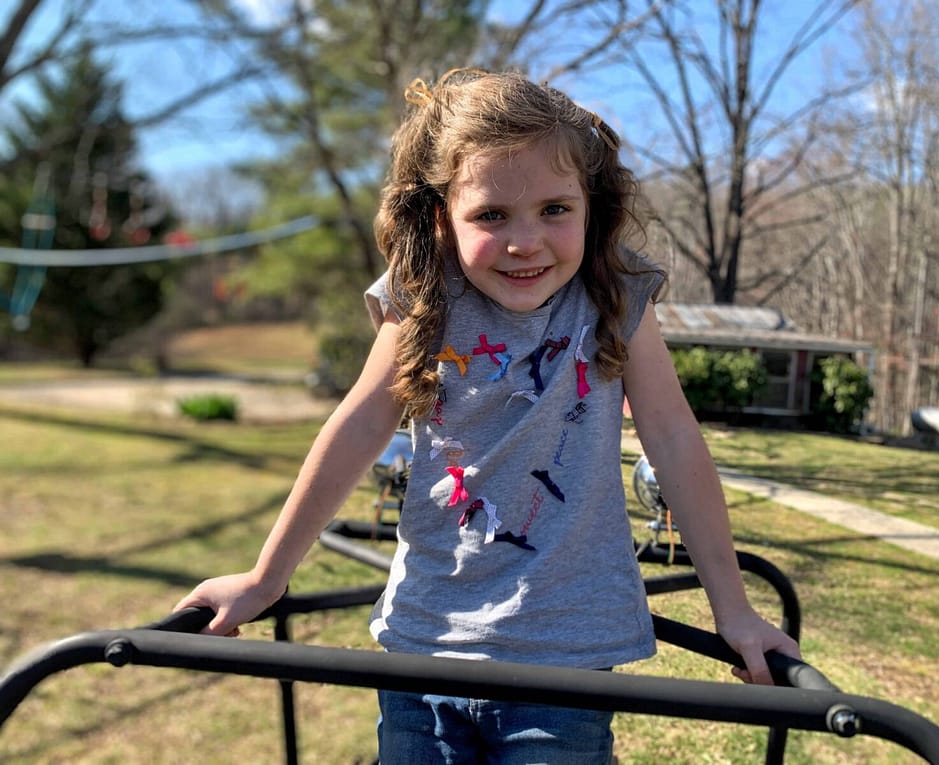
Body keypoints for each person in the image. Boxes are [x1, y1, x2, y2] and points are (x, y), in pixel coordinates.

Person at [175, 67, 801, 764]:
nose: (525, 241)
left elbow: (675, 440)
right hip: (424, 647)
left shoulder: (615, 294)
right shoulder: (425, 293)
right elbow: (357, 425)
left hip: (561, 661)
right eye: (492, 215)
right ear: (443, 215)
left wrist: (734, 612)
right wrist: (266, 576)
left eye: (555, 209)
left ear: (590, 205)